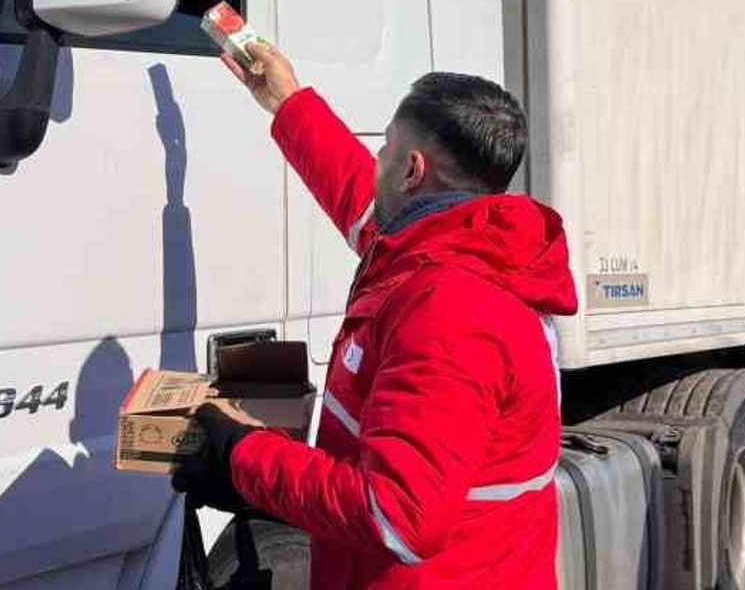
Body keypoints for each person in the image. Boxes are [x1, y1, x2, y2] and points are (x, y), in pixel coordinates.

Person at [172, 41, 578, 589]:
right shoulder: (447, 247)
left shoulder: (453, 311)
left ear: (412, 171)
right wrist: (287, 102)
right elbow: (357, 200)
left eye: (385, 148)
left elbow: (399, 515)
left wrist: (240, 455)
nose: (375, 163)